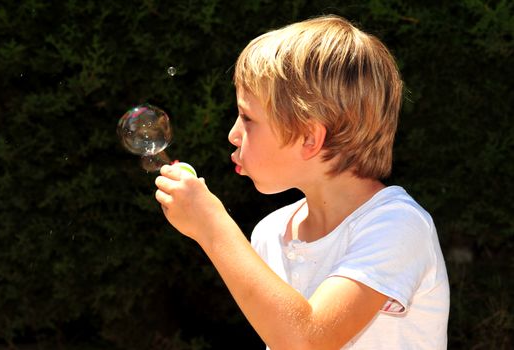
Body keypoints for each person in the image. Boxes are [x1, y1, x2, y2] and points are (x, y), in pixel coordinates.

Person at [155, 14, 449, 350]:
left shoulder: (396, 226)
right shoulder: (271, 233)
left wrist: (212, 227)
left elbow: (308, 340)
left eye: (248, 118)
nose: (233, 134)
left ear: (310, 138)